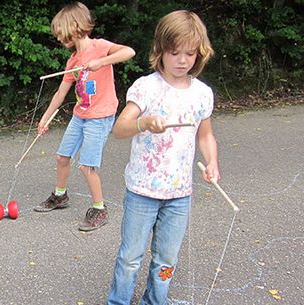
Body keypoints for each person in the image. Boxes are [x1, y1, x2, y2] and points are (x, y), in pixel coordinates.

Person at [106, 10, 218, 305]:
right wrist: (143, 123)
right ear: (160, 50)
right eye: (175, 52)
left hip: (180, 193)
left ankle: (155, 301)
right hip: (143, 191)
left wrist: (212, 162)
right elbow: (119, 129)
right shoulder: (147, 87)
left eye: (190, 53)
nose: (182, 60)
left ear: (199, 54)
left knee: (166, 259)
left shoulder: (202, 94)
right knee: (131, 257)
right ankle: (117, 301)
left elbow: (205, 134)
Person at [33, 2, 135, 231]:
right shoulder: (73, 61)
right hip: (80, 115)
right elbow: (61, 93)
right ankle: (60, 196)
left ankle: (100, 208)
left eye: (61, 33)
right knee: (62, 157)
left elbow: (129, 52)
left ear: (74, 26)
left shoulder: (100, 46)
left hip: (100, 117)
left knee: (87, 166)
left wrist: (102, 61)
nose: (59, 38)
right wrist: (45, 118)